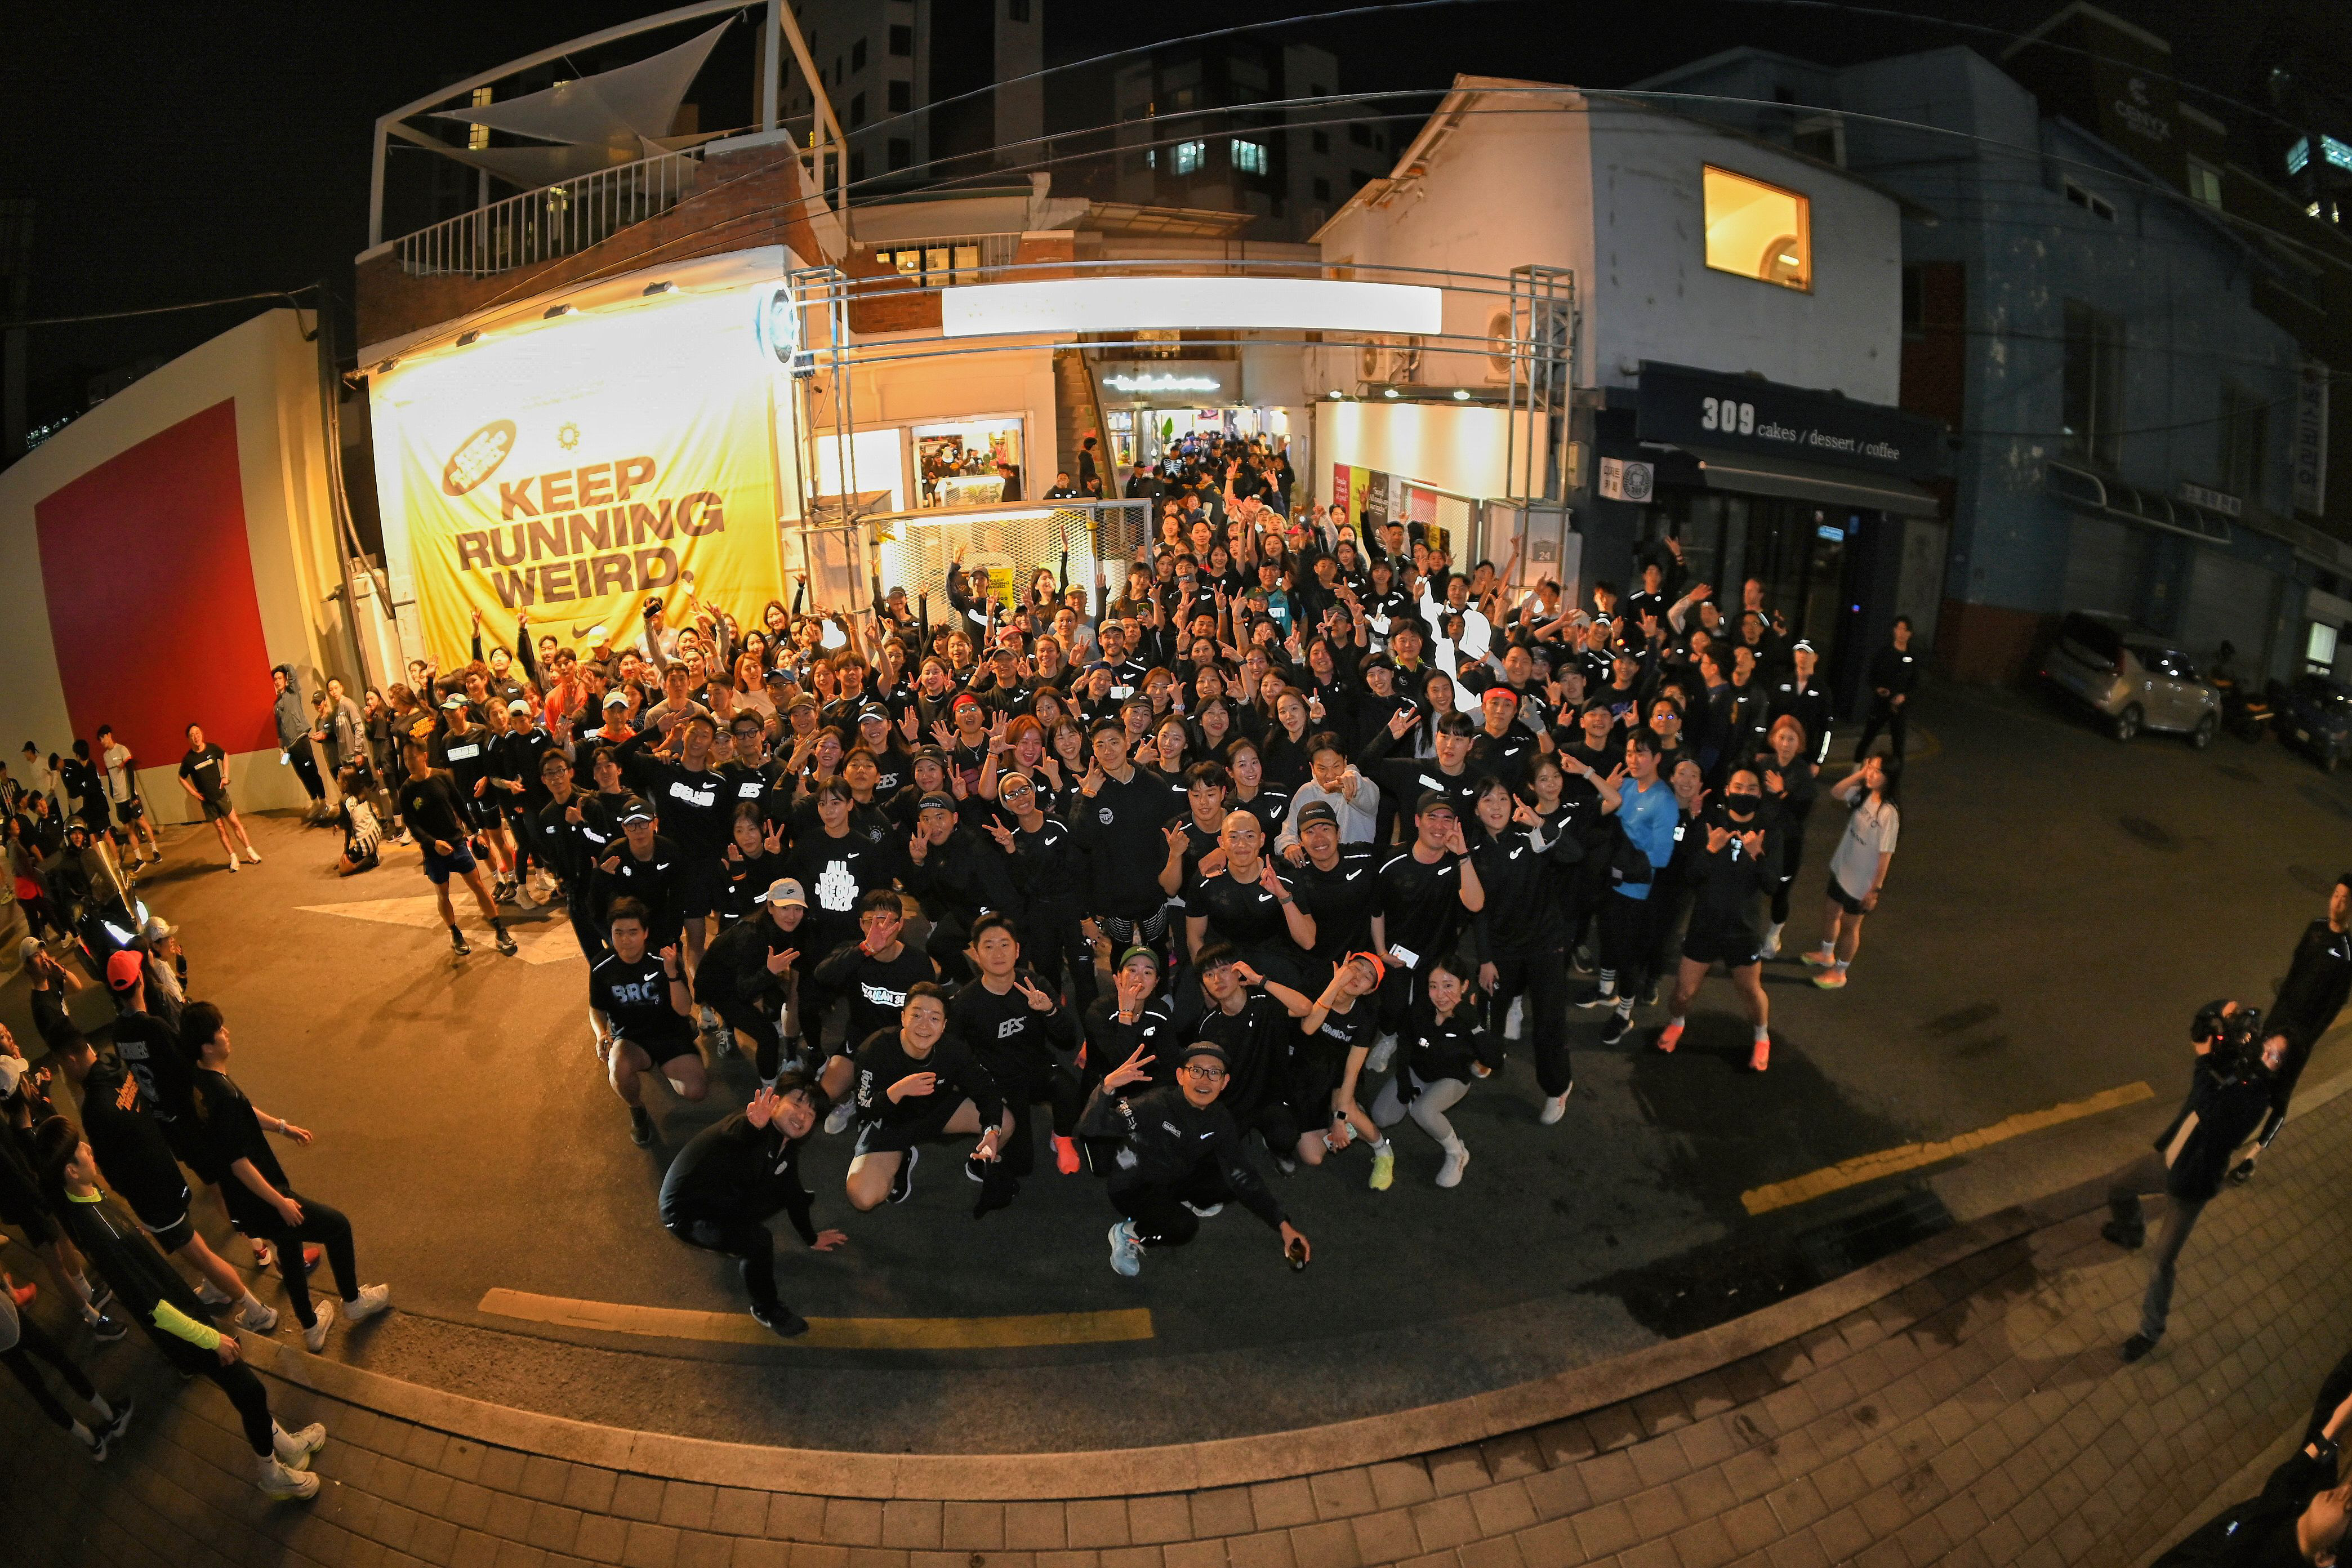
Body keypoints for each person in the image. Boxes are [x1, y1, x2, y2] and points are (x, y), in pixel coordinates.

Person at [35, 1121, 330, 1499]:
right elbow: (153, 1307)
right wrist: (210, 1338)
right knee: (250, 1390)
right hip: (180, 1326)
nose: (89, 1149)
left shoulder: (85, 1197)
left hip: (182, 1310)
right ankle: (271, 1473)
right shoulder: (98, 1228)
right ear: (71, 1171)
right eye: (81, 1149)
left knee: (242, 1390)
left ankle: (287, 1447)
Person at [182, 1001, 391, 1352]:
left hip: (246, 1199)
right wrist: (280, 1202)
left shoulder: (203, 1080)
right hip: (262, 1195)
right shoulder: (223, 1095)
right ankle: (354, 1302)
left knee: (290, 1249)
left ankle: (311, 1327)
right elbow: (239, 1163)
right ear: (207, 1046)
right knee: (337, 1226)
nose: (227, 1033)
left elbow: (244, 1113)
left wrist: (282, 1127)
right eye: (219, 1030)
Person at [47, 1029, 280, 1333]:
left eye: (63, 1067)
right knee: (191, 1242)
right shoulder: (115, 1066)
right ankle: (217, 1288)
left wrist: (123, 1192)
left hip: (151, 1194)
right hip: (167, 1172)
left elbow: (109, 1164)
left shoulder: (95, 1107)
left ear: (70, 1059)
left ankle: (258, 1311)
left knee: (200, 1254)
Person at [2100, 999, 2278, 1362]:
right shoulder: (2230, 1064)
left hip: (2191, 1187)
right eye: (2266, 1046)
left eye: (2275, 1056)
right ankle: (2132, 1232)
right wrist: (2224, 1015)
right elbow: (2202, 1025)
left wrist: (2206, 1061)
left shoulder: (2255, 1099)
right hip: (2169, 1161)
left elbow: (2210, 1109)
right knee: (2118, 1185)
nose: (2264, 1053)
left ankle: (2149, 1333)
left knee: (2163, 1261)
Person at [1082, 1039, 1312, 1277]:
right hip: (1135, 1188)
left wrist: (1284, 1226)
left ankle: (1180, 1203)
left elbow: (1241, 1173)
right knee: (1184, 1228)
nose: (1204, 1081)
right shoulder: (1152, 1105)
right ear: (1180, 1076)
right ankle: (1129, 1232)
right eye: (1196, 1071)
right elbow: (1088, 1129)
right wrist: (1106, 1087)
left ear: (1224, 1082)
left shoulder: (1220, 1117)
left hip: (1177, 1175)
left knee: (1230, 1183)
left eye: (1214, 1073)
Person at [658, 1077, 848, 1338]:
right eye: (797, 1104)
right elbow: (740, 1140)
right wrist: (753, 1127)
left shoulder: (785, 1142)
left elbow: (791, 1189)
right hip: (686, 1213)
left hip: (723, 1196)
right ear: (775, 1102)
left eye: (811, 1114)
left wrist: (811, 1238)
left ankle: (733, 1239)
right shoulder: (747, 1128)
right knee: (758, 1242)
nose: (802, 1117)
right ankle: (766, 1309)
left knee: (788, 1190)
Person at [2152, 1367, 2352, 1564]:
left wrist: (2328, 1434)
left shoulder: (2252, 1553)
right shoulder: (2310, 1501)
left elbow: (2266, 1510)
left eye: (2350, 1510)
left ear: (2325, 1558)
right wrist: (2331, 1431)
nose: (2346, 1492)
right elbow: (2329, 1405)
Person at [843, 984, 1008, 1211]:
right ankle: (901, 1157)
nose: (924, 1025)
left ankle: (978, 1162)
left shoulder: (953, 1049)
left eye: (934, 1018)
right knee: (863, 1196)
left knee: (1004, 1123)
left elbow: (985, 1088)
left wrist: (991, 1130)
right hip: (890, 1123)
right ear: (903, 1017)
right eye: (917, 1015)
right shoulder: (875, 1050)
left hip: (936, 1111)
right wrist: (898, 1090)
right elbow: (865, 1108)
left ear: (944, 1025)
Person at [1655, 767, 1777, 1071]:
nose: (1744, 793)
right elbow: (1690, 875)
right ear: (1727, 790)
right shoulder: (1711, 823)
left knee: (1750, 991)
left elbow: (1773, 885)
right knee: (1683, 992)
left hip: (1743, 928)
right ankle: (1677, 1023)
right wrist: (1710, 849)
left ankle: (1762, 1036)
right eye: (1739, 787)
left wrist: (1758, 855)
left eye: (1751, 788)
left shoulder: (1769, 831)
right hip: (1705, 924)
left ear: (1760, 794)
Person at [2239, 874, 2352, 1180]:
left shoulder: (2346, 951)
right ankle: (2234, 1127)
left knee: (2280, 1098)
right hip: (2281, 1019)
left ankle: (2254, 1155)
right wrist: (2275, 1017)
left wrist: (2305, 1040)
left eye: (2344, 899)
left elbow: (2333, 1007)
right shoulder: (2315, 928)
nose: (2337, 903)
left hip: (2301, 1035)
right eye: (2335, 895)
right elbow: (2293, 972)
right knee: (2252, 1070)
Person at [1369, 954, 1498, 1187]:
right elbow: (1405, 1043)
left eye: (1448, 986)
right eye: (1433, 986)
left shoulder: (1470, 1016)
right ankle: (1420, 1097)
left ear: (1464, 986)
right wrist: (1404, 1079)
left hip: (1452, 1078)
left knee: (1423, 1111)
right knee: (1381, 1117)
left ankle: (1457, 1152)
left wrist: (1475, 1026)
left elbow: (1495, 1060)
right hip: (1418, 1072)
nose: (1440, 995)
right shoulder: (1421, 1007)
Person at [1579, 731, 1674, 1044]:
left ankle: (1624, 1013)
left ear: (1657, 758)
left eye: (1642, 754)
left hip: (1636, 891)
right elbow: (1598, 817)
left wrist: (1623, 864)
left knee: (1628, 955)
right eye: (1631, 753)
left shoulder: (1664, 800)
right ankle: (1606, 990)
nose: (1634, 760)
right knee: (1607, 939)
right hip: (1610, 881)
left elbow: (1661, 857)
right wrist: (1606, 790)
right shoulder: (1627, 786)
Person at [590, 898, 707, 1147]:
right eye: (618, 933)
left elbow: (683, 1008)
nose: (625, 939)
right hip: (630, 1038)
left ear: (645, 933)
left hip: (669, 1032)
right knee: (617, 1067)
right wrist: (601, 1033)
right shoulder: (601, 966)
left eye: (633, 932)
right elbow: (596, 1008)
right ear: (611, 933)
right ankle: (637, 1108)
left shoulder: (663, 958)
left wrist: (672, 974)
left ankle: (678, 1053)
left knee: (697, 1091)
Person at [394, 737, 516, 956]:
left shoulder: (441, 777)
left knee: (478, 886)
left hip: (457, 843)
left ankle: (500, 930)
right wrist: (433, 843)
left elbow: (460, 806)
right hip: (433, 851)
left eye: (413, 757)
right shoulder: (406, 791)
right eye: (406, 759)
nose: (409, 762)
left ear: (425, 756)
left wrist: (476, 833)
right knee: (443, 894)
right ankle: (455, 933)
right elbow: (412, 825)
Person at [0, 1266, 134, 1460]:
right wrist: (8, 1290)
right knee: (60, 1361)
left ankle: (92, 1441)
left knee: (38, 1391)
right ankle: (112, 1415)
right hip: (8, 1318)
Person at [1803, 752, 1900, 990]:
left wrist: (1875, 890)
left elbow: (1886, 855)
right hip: (1843, 868)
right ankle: (1826, 954)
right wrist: (1860, 774)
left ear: (1889, 777)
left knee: (1850, 927)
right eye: (1870, 768)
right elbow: (1836, 792)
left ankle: (1840, 972)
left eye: (1877, 771)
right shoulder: (1863, 795)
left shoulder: (1889, 813)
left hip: (1861, 882)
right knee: (1830, 912)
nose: (1871, 774)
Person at [177, 723, 261, 872]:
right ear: (189, 740)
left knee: (235, 823)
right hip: (207, 801)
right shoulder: (189, 760)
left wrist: (225, 776)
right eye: (192, 735)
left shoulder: (212, 749)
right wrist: (193, 793)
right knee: (221, 829)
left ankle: (250, 851)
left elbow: (225, 756)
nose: (196, 737)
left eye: (197, 733)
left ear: (202, 734)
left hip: (221, 795)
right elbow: (181, 777)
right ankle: (233, 858)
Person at [94, 724, 163, 868]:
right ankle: (139, 859)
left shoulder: (122, 750)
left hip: (129, 796)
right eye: (100, 740)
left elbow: (130, 772)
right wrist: (112, 792)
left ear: (109, 735)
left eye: (103, 737)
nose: (102, 741)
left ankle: (155, 851)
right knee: (129, 828)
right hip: (119, 799)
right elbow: (110, 776)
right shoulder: (106, 756)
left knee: (142, 822)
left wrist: (133, 795)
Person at [1852, 616, 1919, 759]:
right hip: (1881, 704)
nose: (1902, 633)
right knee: (1868, 737)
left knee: (1898, 744)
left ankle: (1895, 772)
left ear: (1910, 634)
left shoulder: (1913, 657)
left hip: (1899, 708)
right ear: (1894, 630)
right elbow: (1871, 676)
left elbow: (1916, 683)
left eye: (1905, 630)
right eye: (1899, 629)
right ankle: (1856, 766)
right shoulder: (1884, 653)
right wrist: (1878, 689)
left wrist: (1905, 696)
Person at [270, 665, 330, 822]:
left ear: (285, 679)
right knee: (302, 775)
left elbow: (293, 673)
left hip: (301, 740)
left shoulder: (293, 692)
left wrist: (282, 667)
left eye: (280, 678)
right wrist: (281, 749)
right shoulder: (276, 705)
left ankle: (324, 802)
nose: (277, 681)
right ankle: (315, 802)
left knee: (311, 772)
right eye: (275, 679)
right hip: (290, 746)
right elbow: (279, 728)